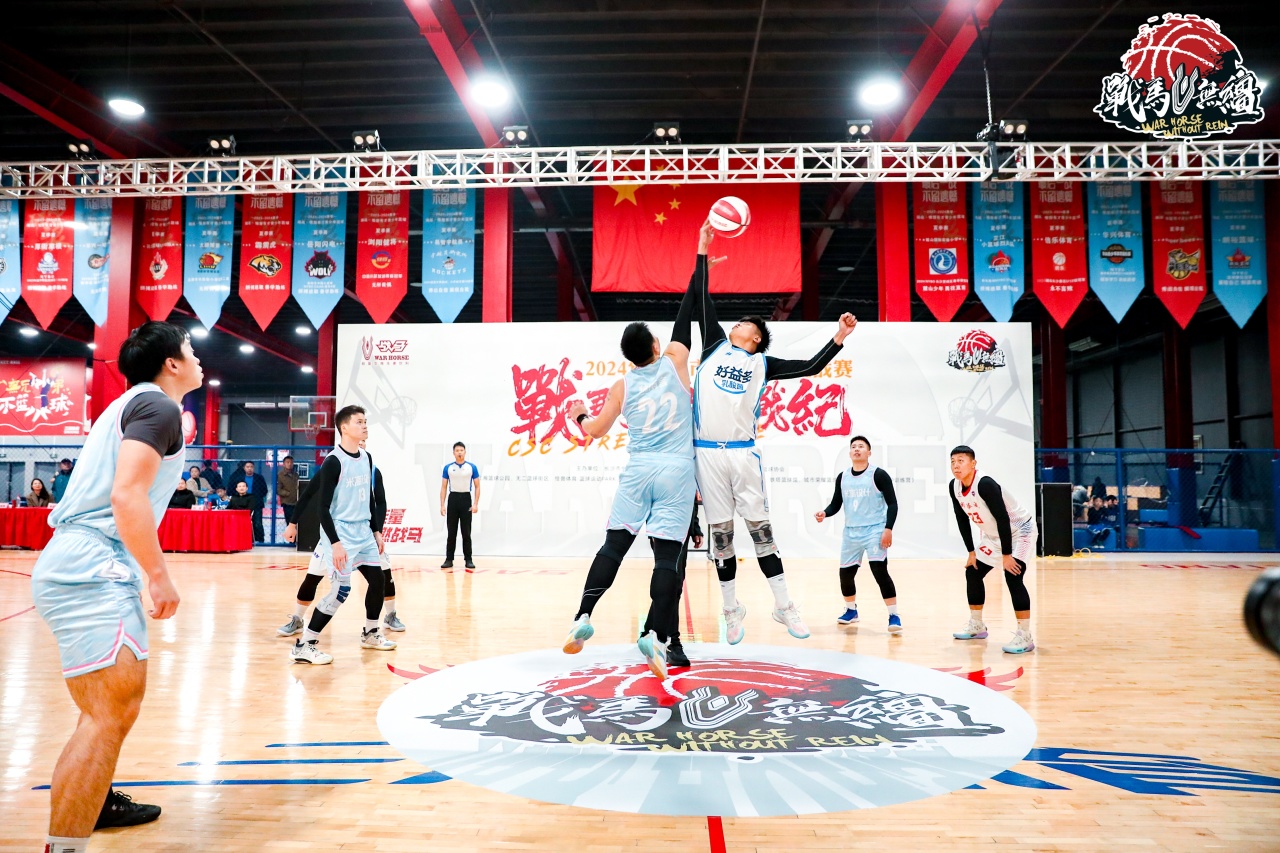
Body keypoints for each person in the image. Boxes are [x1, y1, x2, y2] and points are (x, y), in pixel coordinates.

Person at [31, 320, 201, 852]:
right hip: (94, 564)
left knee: (103, 711)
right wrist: (159, 576)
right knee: (109, 716)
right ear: (171, 363)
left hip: (79, 560)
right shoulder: (159, 407)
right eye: (190, 349)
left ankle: (96, 800)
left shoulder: (134, 405)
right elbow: (126, 495)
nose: (198, 358)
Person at [689, 218, 858, 644]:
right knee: (721, 538)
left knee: (761, 532)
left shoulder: (762, 364)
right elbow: (702, 299)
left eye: (743, 324)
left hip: (742, 453)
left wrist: (839, 336)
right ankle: (731, 610)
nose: (734, 325)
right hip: (706, 453)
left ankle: (784, 606)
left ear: (755, 336)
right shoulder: (713, 346)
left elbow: (811, 367)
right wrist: (703, 249)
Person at [564, 310, 697, 681]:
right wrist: (698, 274)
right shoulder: (674, 363)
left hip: (638, 472)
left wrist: (579, 415)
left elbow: (595, 430)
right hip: (676, 473)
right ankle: (656, 638)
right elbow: (685, 325)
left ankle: (583, 615)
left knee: (613, 547)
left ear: (628, 357)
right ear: (656, 345)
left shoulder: (622, 386)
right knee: (667, 559)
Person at [282, 406, 394, 664]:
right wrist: (335, 543)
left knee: (378, 580)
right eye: (359, 422)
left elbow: (370, 500)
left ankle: (371, 633)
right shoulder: (333, 461)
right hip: (341, 533)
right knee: (341, 590)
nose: (365, 426)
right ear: (344, 427)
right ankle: (304, 645)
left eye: (365, 421)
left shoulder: (367, 458)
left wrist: (376, 531)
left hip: (364, 532)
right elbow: (321, 507)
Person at [948, 445, 1037, 654]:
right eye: (952, 462)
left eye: (961, 461)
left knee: (1013, 575)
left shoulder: (985, 484)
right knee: (973, 572)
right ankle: (977, 625)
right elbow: (961, 518)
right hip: (994, 536)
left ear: (973, 463)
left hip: (1020, 532)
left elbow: (1003, 518)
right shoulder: (954, 486)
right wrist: (971, 552)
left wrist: (1007, 555)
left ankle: (1025, 635)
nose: (956, 466)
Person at [814, 436, 901, 633]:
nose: (857, 449)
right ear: (849, 452)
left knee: (879, 571)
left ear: (869, 452)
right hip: (851, 532)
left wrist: (888, 529)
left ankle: (894, 615)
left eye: (861, 446)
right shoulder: (843, 477)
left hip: (875, 530)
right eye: (853, 446)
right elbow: (836, 504)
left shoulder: (878, 475)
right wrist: (825, 513)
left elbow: (893, 504)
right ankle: (851, 610)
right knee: (845, 574)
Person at [439, 443, 480, 570]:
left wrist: (475, 504)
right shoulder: (448, 468)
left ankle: (468, 559)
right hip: (453, 499)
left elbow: (477, 486)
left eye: (461, 450)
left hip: (466, 499)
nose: (459, 452)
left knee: (466, 532)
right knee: (451, 532)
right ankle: (449, 559)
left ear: (465, 452)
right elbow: (444, 487)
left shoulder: (471, 467)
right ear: (453, 453)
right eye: (457, 450)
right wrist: (442, 505)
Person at [227, 461, 268, 543]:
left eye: (251, 467)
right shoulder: (239, 478)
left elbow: (264, 490)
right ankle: (247, 539)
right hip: (241, 503)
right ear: (244, 468)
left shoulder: (259, 478)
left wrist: (256, 497)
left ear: (254, 468)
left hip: (257, 503)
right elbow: (231, 489)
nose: (249, 469)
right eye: (247, 467)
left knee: (257, 523)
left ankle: (260, 540)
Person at [277, 455, 299, 525]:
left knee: (297, 522)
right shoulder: (280, 475)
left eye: (291, 462)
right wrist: (288, 493)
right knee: (289, 522)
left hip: (296, 502)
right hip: (287, 503)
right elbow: (278, 489)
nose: (289, 464)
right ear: (284, 464)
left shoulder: (296, 475)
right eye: (288, 462)